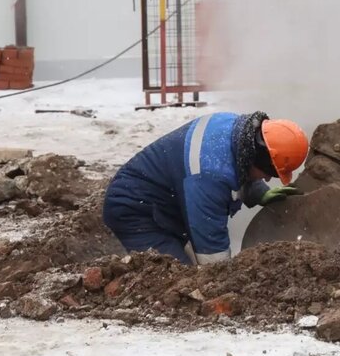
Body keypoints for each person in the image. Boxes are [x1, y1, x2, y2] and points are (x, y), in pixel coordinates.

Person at [103, 112, 308, 265]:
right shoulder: (209, 177)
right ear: (258, 159)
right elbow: (212, 256)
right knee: (175, 276)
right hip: (133, 209)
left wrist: (257, 191)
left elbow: (240, 166)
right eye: (269, 172)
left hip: (168, 200)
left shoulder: (239, 132)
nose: (268, 178)